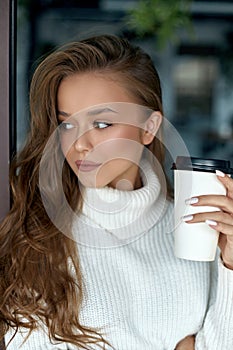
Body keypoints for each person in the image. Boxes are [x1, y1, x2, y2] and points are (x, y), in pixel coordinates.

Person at [0, 34, 233, 350]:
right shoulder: (35, 236)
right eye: (66, 125)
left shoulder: (196, 231)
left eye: (102, 124)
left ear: (149, 128)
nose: (80, 144)